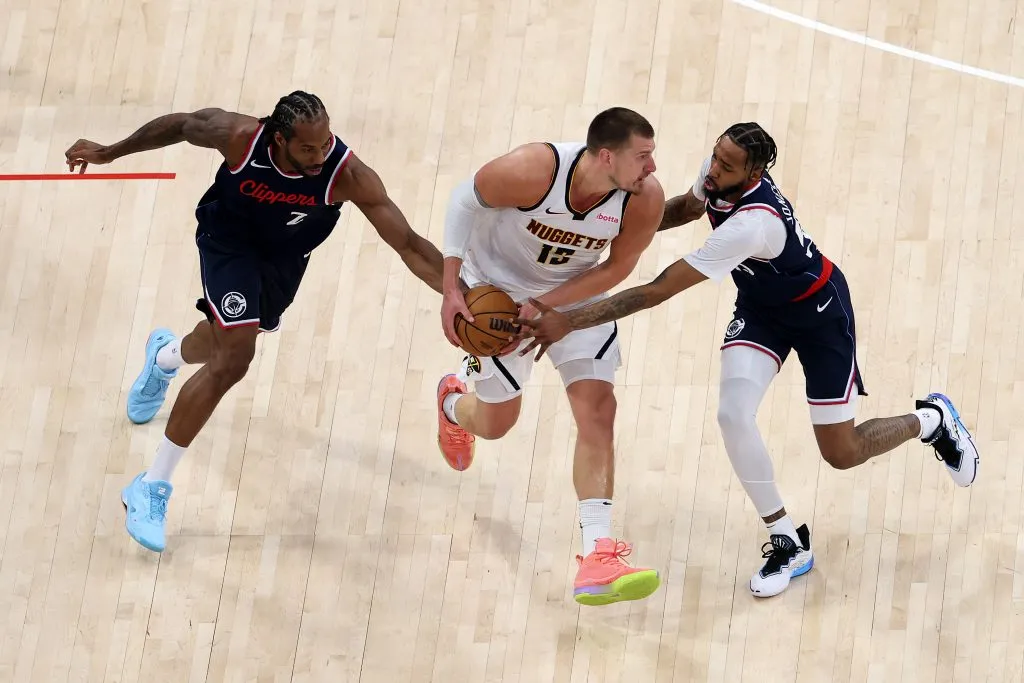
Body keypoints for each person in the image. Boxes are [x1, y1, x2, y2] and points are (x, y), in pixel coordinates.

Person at [515, 122, 980, 598]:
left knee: (842, 453)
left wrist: (570, 320)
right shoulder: (720, 172)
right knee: (733, 414)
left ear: (754, 171)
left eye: (726, 165)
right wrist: (608, 220)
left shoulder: (751, 226)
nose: (713, 169)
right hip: (761, 312)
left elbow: (657, 290)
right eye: (714, 156)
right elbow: (684, 208)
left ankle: (932, 420)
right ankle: (787, 540)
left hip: (820, 315)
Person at [64, 91, 446, 553]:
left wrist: (458, 297)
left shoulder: (345, 174)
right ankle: (150, 486)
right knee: (235, 358)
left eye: (325, 144)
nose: (320, 154)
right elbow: (180, 125)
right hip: (228, 243)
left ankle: (164, 357)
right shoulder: (239, 137)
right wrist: (109, 152)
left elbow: (408, 245)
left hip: (282, 262)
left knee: (218, 346)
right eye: (308, 148)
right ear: (278, 137)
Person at [436, 107, 666, 607]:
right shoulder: (534, 172)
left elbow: (618, 267)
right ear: (607, 156)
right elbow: (463, 200)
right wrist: (452, 287)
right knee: (497, 424)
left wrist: (547, 306)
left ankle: (598, 552)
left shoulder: (643, 199)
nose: (652, 168)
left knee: (599, 411)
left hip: (570, 296)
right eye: (643, 156)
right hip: (495, 296)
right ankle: (453, 404)